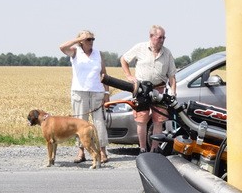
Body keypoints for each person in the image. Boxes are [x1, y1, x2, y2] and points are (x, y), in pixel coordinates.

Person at [120, 25, 177, 152]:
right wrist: (129, 76)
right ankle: (142, 148)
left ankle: (154, 149)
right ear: (151, 37)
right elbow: (124, 59)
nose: (162, 40)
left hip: (160, 89)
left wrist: (173, 91)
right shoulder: (140, 48)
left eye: (164, 37)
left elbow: (172, 75)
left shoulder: (167, 53)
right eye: (159, 37)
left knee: (159, 120)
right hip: (142, 90)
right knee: (141, 119)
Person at [59, 30, 109, 164]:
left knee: (99, 122)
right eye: (88, 39)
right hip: (79, 92)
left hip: (97, 92)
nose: (91, 42)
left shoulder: (98, 54)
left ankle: (102, 152)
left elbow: (104, 73)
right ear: (81, 41)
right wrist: (77, 40)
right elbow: (62, 47)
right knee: (80, 122)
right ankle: (81, 152)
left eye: (92, 39)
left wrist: (106, 93)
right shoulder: (75, 52)